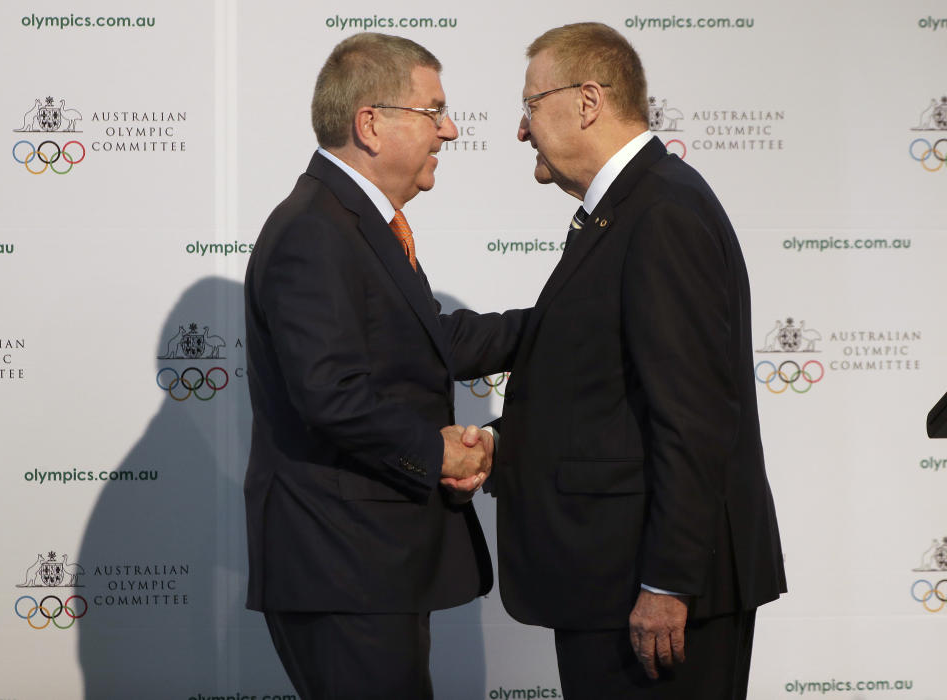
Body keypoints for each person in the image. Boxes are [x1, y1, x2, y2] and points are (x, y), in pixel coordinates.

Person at [489, 22, 787, 699]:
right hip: (614, 582)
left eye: (531, 106)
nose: (520, 130)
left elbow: (694, 415)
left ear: (587, 101)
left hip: (654, 598)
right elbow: (600, 393)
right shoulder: (630, 208)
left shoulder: (661, 213)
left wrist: (668, 582)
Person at [243, 33, 526, 699]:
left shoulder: (357, 221)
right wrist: (437, 453)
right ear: (370, 123)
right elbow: (329, 391)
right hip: (342, 563)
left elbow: (430, 342)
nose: (450, 131)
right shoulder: (316, 228)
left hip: (368, 563)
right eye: (433, 112)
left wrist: (558, 323)